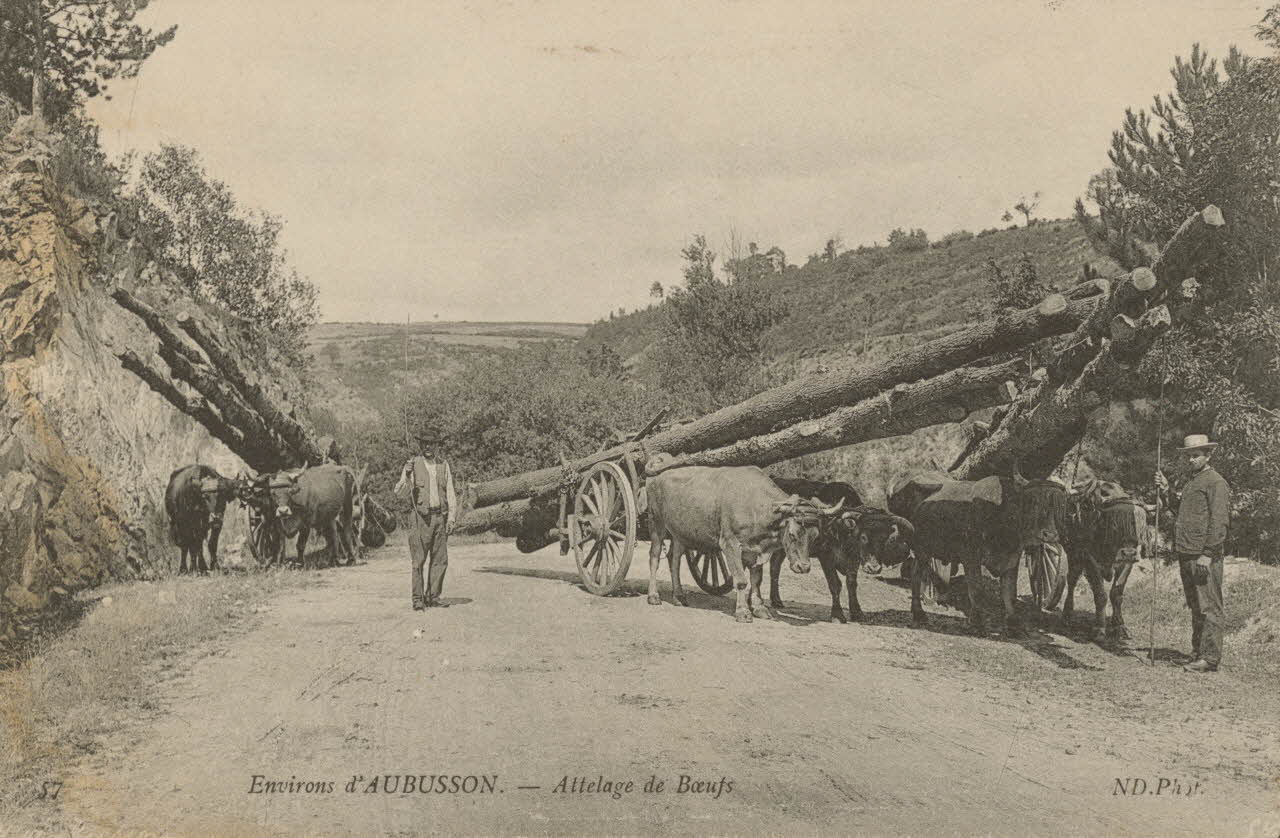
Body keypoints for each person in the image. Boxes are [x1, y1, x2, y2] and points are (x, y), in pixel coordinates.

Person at [1156, 434, 1232, 673]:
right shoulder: (1192, 482)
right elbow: (1180, 511)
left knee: (1209, 605)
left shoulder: (1216, 482)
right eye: (1188, 455)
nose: (1190, 459)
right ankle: (1197, 652)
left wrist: (1208, 554)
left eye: (1195, 455)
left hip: (1203, 554)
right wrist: (1166, 490)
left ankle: (1209, 658)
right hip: (1187, 551)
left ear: (1208, 455)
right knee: (1196, 604)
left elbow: (1219, 522)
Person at [395, 430, 457, 610]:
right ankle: (418, 600)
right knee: (418, 560)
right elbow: (400, 493)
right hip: (419, 518)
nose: (428, 447)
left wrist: (451, 518)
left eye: (432, 443)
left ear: (437, 446)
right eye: (425, 443)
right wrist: (406, 475)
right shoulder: (412, 465)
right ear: (421, 445)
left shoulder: (443, 465)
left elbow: (451, 493)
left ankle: (434, 597)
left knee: (440, 559)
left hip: (440, 517)